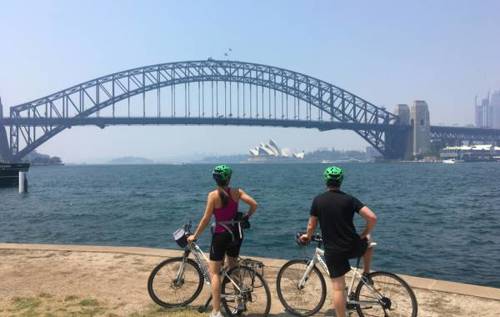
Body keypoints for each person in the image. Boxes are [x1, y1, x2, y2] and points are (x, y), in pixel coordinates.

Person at [300, 166, 377, 317]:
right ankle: (367, 274)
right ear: (341, 181)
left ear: (326, 181)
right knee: (368, 240)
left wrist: (307, 236)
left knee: (338, 288)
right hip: (352, 246)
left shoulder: (318, 200)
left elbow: (311, 225)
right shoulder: (350, 199)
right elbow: (372, 218)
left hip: (334, 250)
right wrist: (364, 234)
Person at [187, 164, 258, 317]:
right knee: (233, 267)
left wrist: (195, 236)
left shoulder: (213, 195)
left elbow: (206, 219)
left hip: (221, 235)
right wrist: (246, 216)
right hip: (236, 234)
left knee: (214, 273)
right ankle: (239, 303)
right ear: (229, 178)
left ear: (215, 179)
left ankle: (216, 311)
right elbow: (254, 204)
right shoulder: (237, 192)